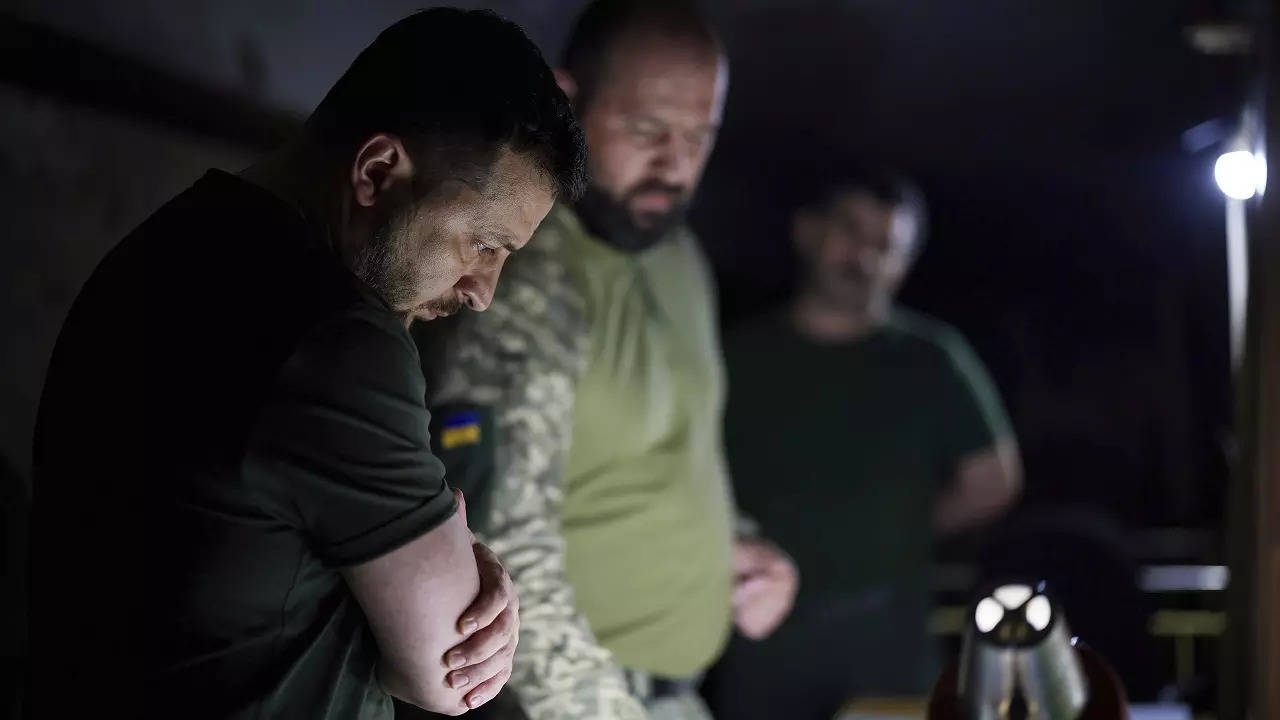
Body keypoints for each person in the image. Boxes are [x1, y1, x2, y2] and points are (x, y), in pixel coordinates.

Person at [28, 9, 586, 719]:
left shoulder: (162, 251)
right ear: (378, 171)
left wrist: (453, 546)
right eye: (484, 244)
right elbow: (450, 678)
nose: (483, 292)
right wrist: (470, 558)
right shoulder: (335, 339)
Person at [411, 2, 796, 719]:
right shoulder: (526, 275)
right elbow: (497, 552)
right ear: (567, 98)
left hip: (675, 700)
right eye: (649, 130)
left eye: (700, 135)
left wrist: (737, 548)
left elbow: (666, 455)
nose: (676, 164)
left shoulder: (682, 257)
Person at [703, 167, 1023, 719]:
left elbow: (993, 480)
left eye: (887, 244)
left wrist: (895, 527)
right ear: (808, 231)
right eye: (851, 231)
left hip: (888, 635)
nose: (866, 257)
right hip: (759, 635)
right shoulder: (732, 356)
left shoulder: (931, 358)